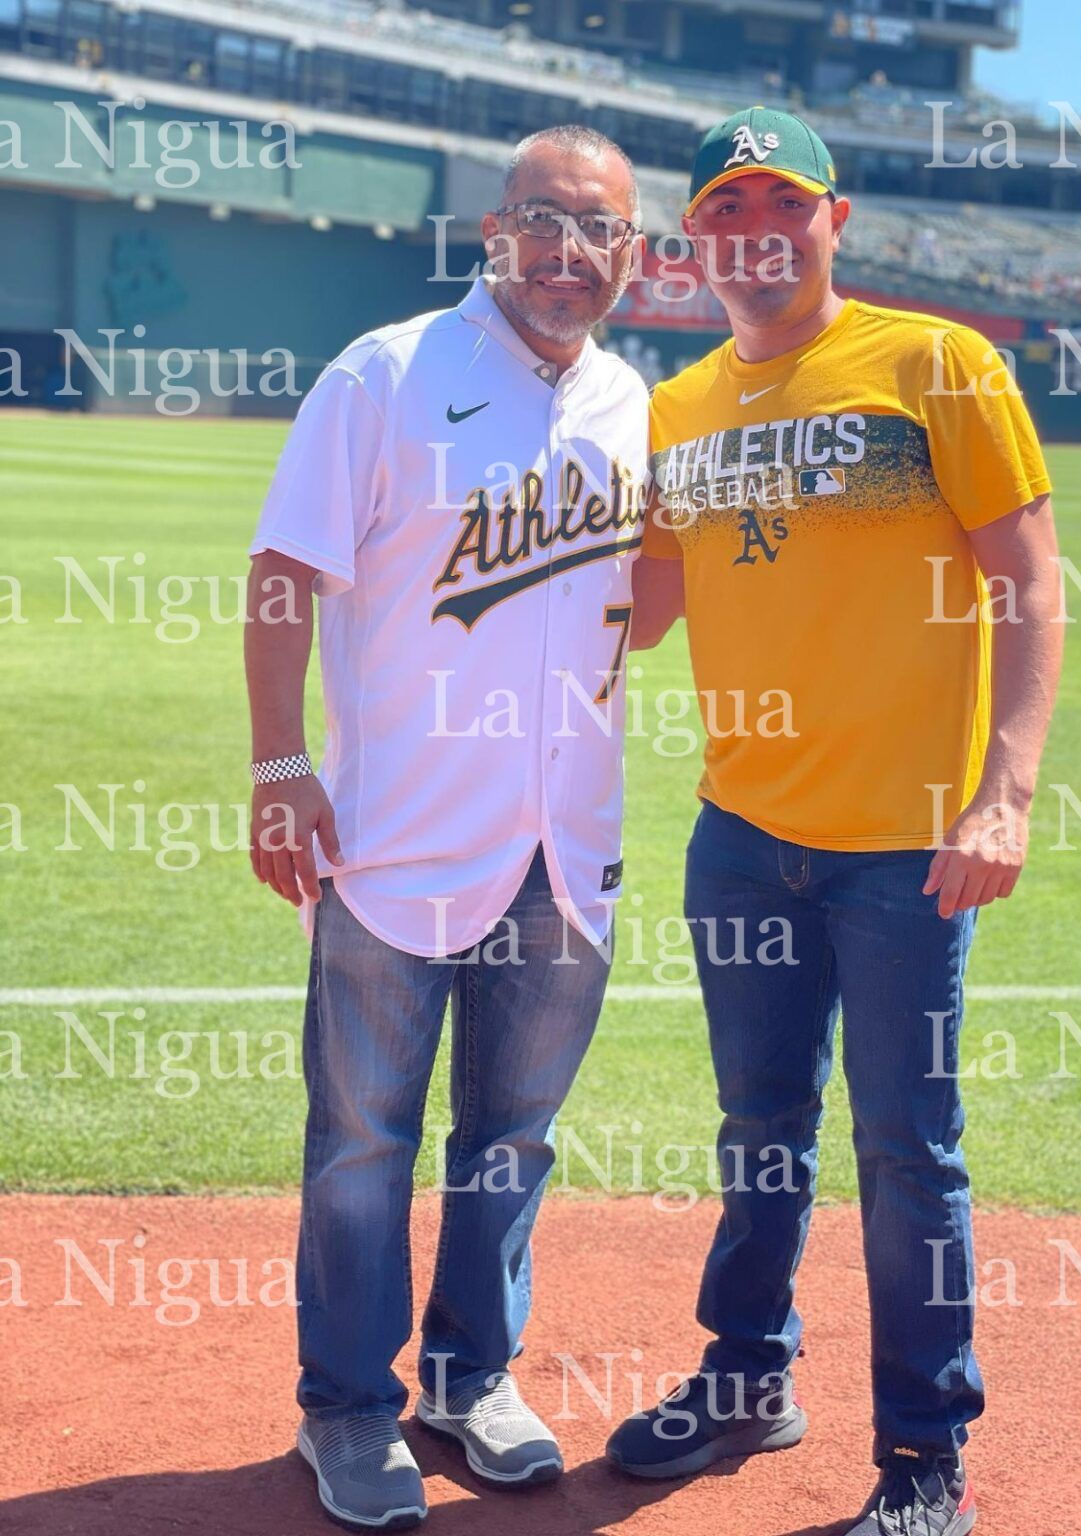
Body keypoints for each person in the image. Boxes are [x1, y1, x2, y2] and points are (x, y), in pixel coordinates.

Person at [606, 107, 1063, 1536]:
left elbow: (1029, 587)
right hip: (739, 829)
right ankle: (748, 1378)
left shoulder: (937, 364)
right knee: (757, 1128)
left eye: (780, 204)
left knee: (905, 1146)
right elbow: (634, 611)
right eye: (724, 210)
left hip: (904, 845)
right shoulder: (674, 409)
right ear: (696, 245)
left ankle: (925, 1456)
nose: (753, 231)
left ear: (831, 221)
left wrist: (1005, 793)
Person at [244, 124, 647, 1530]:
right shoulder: (391, 371)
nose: (565, 250)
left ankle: (470, 1378)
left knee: (513, 1136)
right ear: (495, 230)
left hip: (563, 837)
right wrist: (282, 758)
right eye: (541, 218)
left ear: (631, 255)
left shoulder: (630, 405)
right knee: (362, 1136)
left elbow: (632, 613)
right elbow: (285, 571)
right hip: (400, 829)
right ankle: (346, 1409)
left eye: (596, 228)